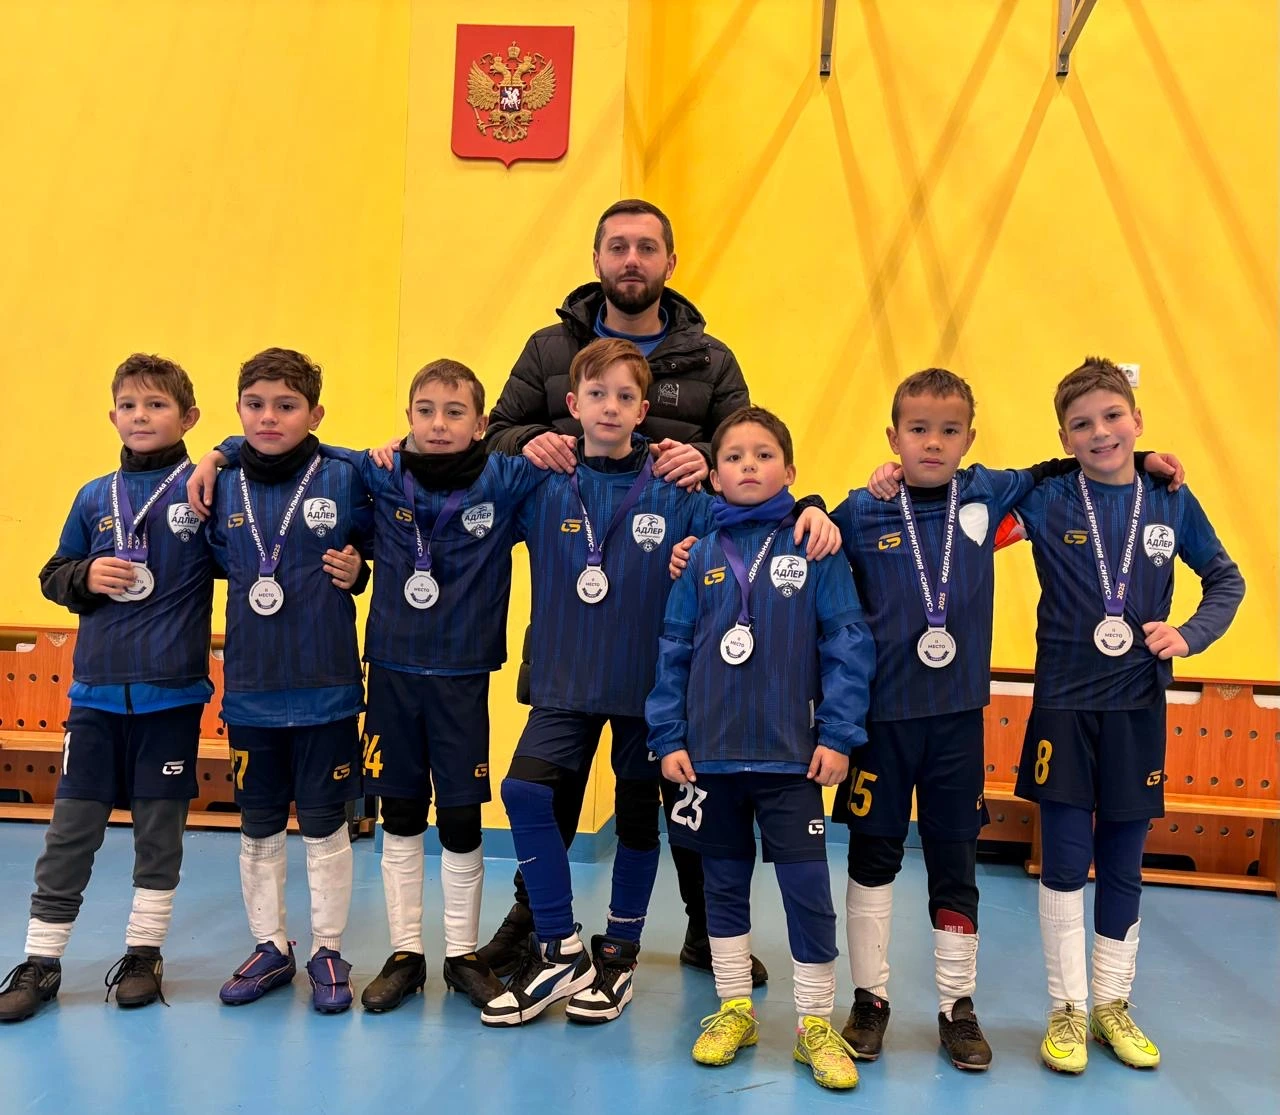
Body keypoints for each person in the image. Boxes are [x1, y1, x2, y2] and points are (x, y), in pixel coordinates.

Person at [481, 199, 824, 984]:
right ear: (597, 256)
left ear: (670, 261)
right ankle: (536, 922)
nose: (631, 258)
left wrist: (705, 461)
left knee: (673, 797)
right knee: (550, 789)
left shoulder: (709, 357)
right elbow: (491, 436)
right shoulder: (548, 347)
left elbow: (752, 452)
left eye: (647, 247)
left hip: (668, 629)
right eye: (618, 246)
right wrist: (530, 439)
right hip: (573, 626)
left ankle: (708, 927)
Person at [480, 337, 727, 1027]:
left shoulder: (679, 486)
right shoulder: (542, 479)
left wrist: (807, 511)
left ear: (644, 408)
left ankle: (618, 950)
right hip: (565, 679)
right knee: (525, 789)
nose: (610, 406)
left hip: (649, 689)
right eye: (598, 394)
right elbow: (453, 475)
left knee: (638, 817)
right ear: (572, 404)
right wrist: (389, 454)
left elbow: (746, 522)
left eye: (625, 396)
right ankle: (560, 945)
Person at [1012, 357, 1243, 1073]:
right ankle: (1068, 1010)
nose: (1100, 431)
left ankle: (1112, 1002)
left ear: (1138, 419)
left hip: (1137, 705)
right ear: (1064, 436)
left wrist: (1190, 633)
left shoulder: (1172, 500)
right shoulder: (1050, 498)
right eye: (1082, 424)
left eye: (1115, 418)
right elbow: (991, 492)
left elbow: (1226, 580)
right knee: (1064, 863)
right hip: (1063, 704)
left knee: (1122, 862)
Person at [647, 406, 876, 1092]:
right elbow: (672, 649)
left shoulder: (815, 547)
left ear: (791, 471)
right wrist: (668, 736)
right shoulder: (700, 554)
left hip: (791, 760)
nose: (749, 465)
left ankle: (813, 1021)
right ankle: (734, 1006)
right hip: (710, 758)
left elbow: (847, 643)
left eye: (764, 454)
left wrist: (837, 734)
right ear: (714, 474)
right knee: (720, 886)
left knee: (807, 888)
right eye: (736, 456)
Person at [0, 354, 213, 1021]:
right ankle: (41, 959)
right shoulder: (95, 496)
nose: (140, 416)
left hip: (171, 699)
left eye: (156, 405)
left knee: (159, 832)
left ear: (188, 417)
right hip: (93, 699)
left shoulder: (206, 491)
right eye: (128, 405)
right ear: (113, 415)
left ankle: (144, 952)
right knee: (71, 831)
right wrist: (84, 574)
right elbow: (53, 572)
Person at [202, 348, 371, 1014]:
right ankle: (271, 943)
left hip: (326, 685)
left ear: (315, 413)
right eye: (255, 404)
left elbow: (388, 536)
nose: (268, 417)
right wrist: (216, 453)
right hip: (250, 688)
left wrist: (361, 565)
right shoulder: (216, 483)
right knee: (259, 824)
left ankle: (328, 946)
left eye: (286, 404)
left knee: (327, 824)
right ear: (238, 408)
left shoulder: (347, 475)